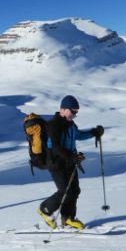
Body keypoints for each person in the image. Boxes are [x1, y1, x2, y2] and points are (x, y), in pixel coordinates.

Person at [37, 95, 104, 230]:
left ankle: (67, 218)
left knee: (74, 191)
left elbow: (78, 135)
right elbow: (54, 146)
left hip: (69, 163)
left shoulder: (70, 124)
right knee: (65, 191)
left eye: (76, 112)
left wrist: (94, 132)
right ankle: (45, 209)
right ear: (62, 109)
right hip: (56, 164)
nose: (74, 115)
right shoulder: (53, 125)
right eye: (73, 111)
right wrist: (70, 156)